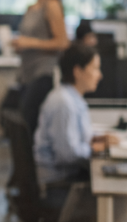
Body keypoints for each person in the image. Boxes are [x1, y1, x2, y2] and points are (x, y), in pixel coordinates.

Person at [34, 43, 118, 210]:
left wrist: (96, 138)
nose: (99, 75)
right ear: (77, 71)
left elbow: (74, 136)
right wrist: (97, 148)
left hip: (65, 182)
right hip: (60, 188)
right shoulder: (64, 104)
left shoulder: (71, 98)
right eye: (94, 69)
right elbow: (67, 154)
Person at [12, 0, 70, 134]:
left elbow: (62, 42)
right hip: (26, 72)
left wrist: (30, 43)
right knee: (15, 117)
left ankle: (33, 159)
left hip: (43, 72)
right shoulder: (31, 7)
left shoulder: (51, 5)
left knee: (27, 119)